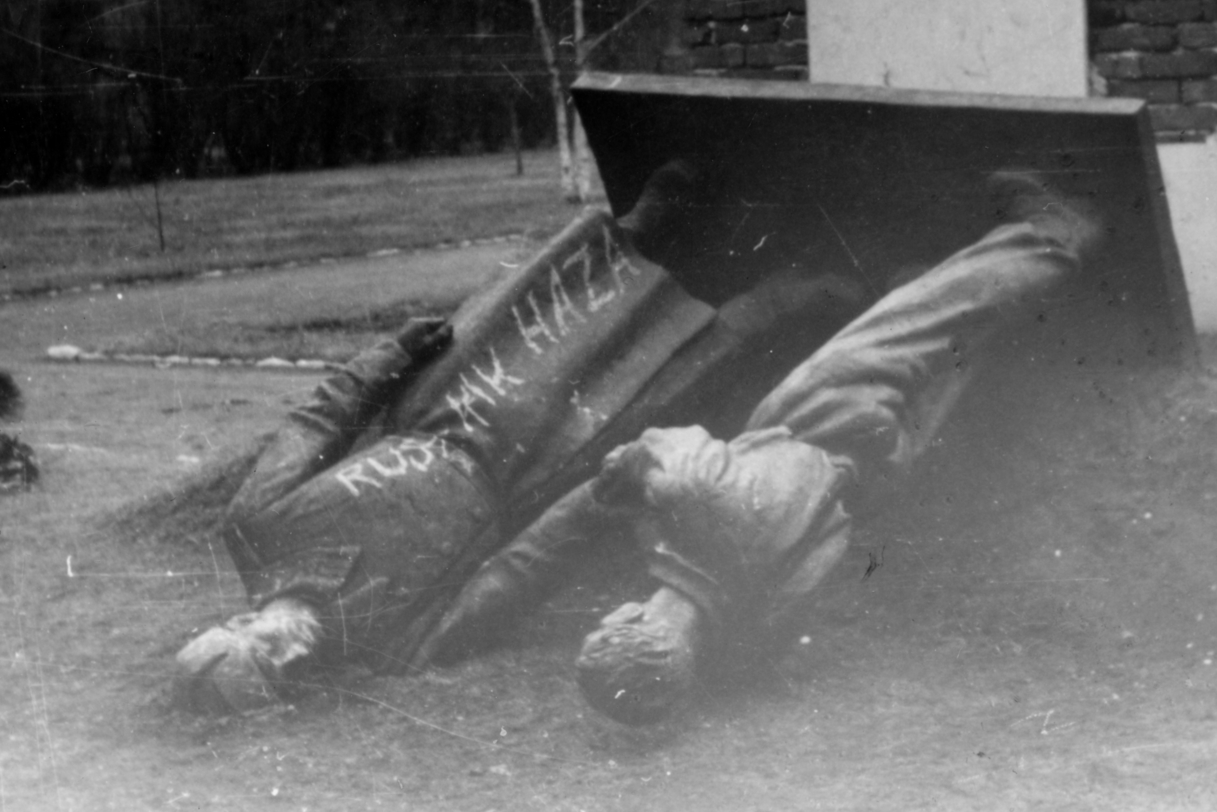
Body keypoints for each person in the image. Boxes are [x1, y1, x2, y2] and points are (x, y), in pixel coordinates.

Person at [414, 172, 1106, 725]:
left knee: (949, 348)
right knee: (932, 316)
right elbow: (617, 485)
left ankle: (918, 273)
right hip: (822, 418)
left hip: (869, 477)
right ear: (622, 621)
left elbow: (545, 557)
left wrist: (456, 628)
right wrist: (624, 479)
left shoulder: (751, 637)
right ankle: (1053, 231)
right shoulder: (688, 496)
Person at [174, 165, 868, 713]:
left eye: (266, 657)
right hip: (534, 470)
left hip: (448, 402)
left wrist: (391, 356)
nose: (293, 662)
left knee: (549, 301)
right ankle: (799, 290)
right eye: (288, 683)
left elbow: (320, 421)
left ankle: (646, 219)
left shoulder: (257, 527)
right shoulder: (400, 647)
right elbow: (516, 574)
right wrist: (599, 494)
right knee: (674, 372)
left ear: (237, 625)